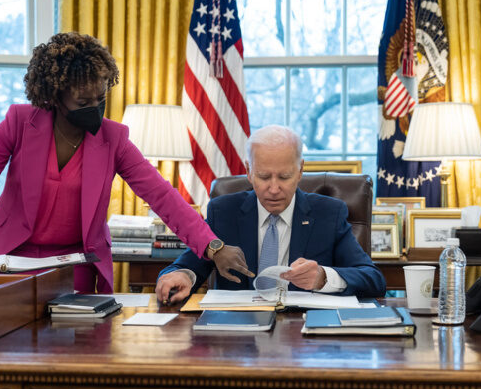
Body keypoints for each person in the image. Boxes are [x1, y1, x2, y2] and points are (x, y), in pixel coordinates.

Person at [0, 32, 252, 293]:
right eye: (84, 100)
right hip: (12, 262)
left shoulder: (113, 139)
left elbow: (163, 197)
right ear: (55, 94)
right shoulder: (19, 123)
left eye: (101, 98)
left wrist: (212, 245)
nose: (95, 108)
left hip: (76, 267)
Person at [156, 125, 386, 303]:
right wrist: (184, 276)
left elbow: (373, 279)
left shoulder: (329, 214)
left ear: (300, 171)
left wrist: (323, 278)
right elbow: (182, 268)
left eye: (284, 177)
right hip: (234, 338)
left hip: (304, 337)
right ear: (248, 171)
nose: (274, 189)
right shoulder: (223, 212)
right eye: (264, 177)